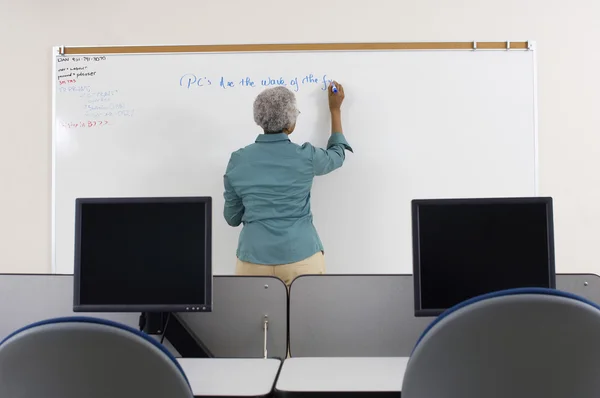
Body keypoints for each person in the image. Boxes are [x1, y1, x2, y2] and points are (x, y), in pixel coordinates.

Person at [223, 82, 352, 286]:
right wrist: (335, 110)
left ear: (260, 119)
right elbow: (337, 156)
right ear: (290, 123)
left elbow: (232, 218)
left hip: (253, 259)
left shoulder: (238, 160)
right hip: (302, 257)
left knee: (252, 318)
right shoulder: (306, 157)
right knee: (307, 317)